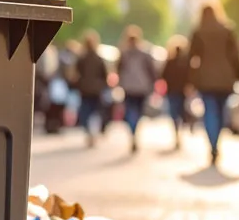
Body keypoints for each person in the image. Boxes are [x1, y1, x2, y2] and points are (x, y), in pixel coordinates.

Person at [188, 3, 239, 165]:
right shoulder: (227, 31)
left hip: (205, 79)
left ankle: (212, 145)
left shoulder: (198, 32)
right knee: (220, 112)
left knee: (210, 112)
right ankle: (216, 142)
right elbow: (235, 56)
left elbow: (191, 58)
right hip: (225, 79)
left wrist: (190, 80)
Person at [117, 25, 156, 153]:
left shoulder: (124, 54)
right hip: (141, 87)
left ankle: (132, 131)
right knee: (138, 112)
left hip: (128, 87)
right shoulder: (144, 54)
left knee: (130, 111)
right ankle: (135, 130)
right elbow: (152, 71)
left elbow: (118, 70)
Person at [75, 30, 109, 147]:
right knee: (95, 112)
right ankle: (93, 131)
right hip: (97, 90)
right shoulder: (99, 58)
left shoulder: (81, 58)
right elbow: (105, 75)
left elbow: (76, 74)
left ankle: (89, 131)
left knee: (85, 112)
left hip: (84, 89)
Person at [161, 34, 190, 149]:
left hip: (172, 90)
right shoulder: (185, 63)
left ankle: (177, 130)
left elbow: (163, 75)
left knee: (174, 112)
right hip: (182, 91)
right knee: (181, 111)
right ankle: (180, 129)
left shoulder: (170, 61)